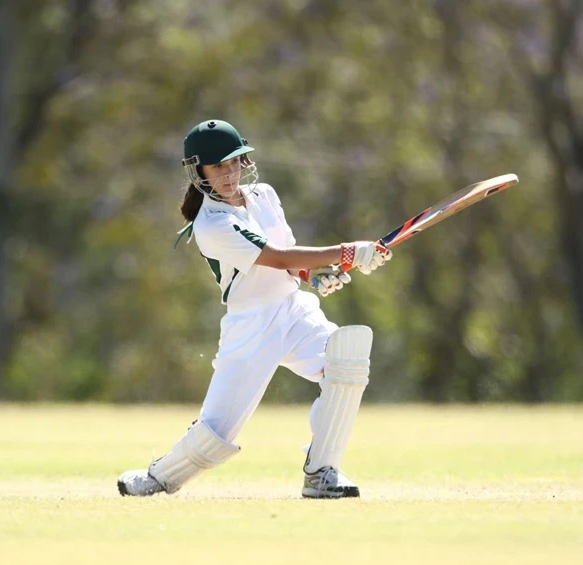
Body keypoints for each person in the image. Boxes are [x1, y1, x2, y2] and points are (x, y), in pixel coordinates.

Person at [117, 119, 392, 499]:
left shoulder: (264, 195)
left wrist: (313, 277)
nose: (229, 174)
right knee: (216, 433)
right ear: (199, 173)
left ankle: (321, 473)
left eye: (234, 163)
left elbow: (290, 260)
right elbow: (275, 257)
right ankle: (160, 477)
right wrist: (348, 252)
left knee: (347, 361)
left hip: (294, 310)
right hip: (251, 326)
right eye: (217, 167)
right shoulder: (211, 224)